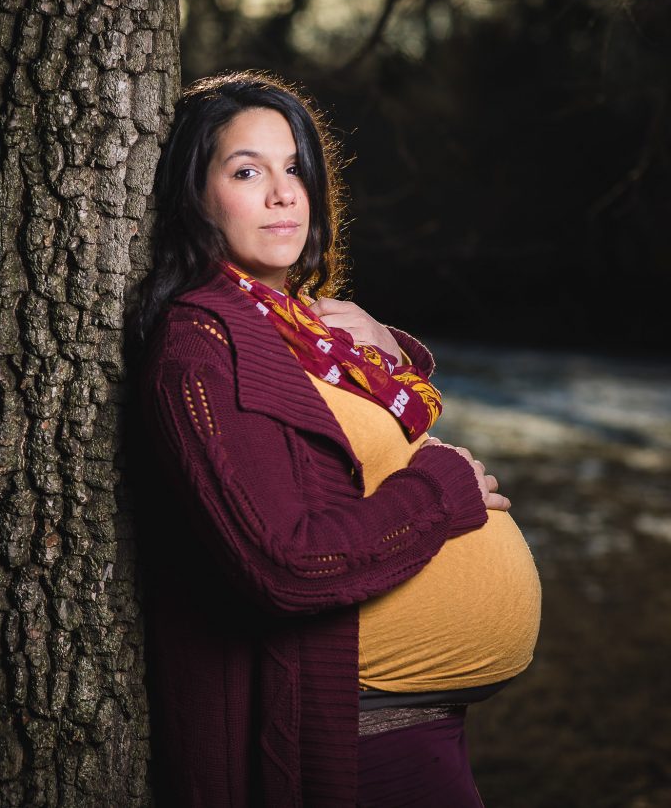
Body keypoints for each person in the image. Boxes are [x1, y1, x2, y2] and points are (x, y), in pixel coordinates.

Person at [134, 72, 541, 807]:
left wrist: (387, 346)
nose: (284, 192)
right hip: (353, 738)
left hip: (416, 726)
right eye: (247, 170)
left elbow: (356, 442)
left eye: (295, 168)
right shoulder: (200, 345)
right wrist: (440, 493)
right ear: (194, 196)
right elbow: (285, 562)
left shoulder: (285, 324)